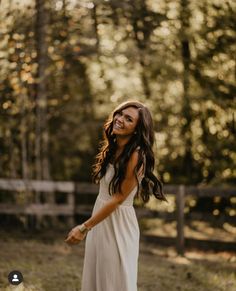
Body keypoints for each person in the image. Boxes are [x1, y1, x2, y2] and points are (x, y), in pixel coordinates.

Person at [65, 100, 167, 291]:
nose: (119, 119)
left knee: (113, 281)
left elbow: (118, 198)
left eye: (128, 119)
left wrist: (84, 227)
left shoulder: (137, 155)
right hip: (101, 218)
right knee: (96, 277)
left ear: (137, 129)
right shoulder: (113, 148)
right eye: (120, 114)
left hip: (118, 223)